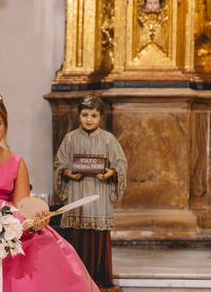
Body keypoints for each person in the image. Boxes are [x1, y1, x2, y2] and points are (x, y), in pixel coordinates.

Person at [0, 87, 99, 292]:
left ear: (6, 127)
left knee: (45, 241)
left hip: (10, 223)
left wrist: (31, 221)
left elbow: (21, 205)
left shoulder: (16, 161)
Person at [54, 96, 127, 290]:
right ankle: (75, 282)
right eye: (85, 114)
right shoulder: (70, 138)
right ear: (79, 115)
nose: (88, 119)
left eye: (93, 115)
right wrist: (68, 172)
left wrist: (111, 173)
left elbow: (120, 163)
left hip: (99, 198)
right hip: (76, 198)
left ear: (100, 117)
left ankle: (99, 282)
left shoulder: (108, 139)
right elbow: (59, 164)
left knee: (97, 241)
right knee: (76, 240)